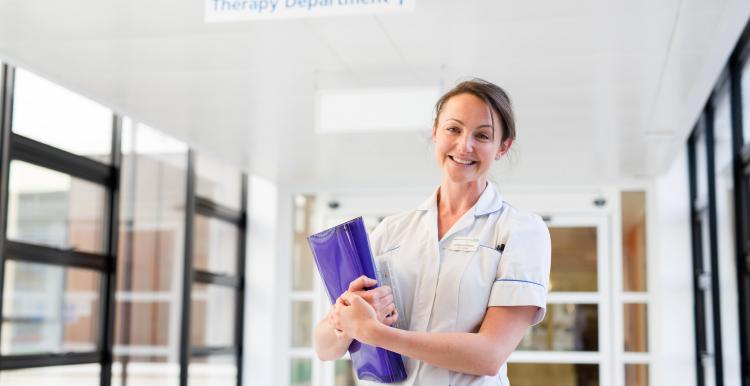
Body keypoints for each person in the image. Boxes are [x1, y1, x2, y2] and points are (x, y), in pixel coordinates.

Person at [313, 78, 551, 386]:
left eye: (482, 135)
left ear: (503, 147)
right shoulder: (391, 231)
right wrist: (345, 318)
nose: (465, 146)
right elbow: (324, 348)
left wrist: (375, 333)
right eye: (454, 129)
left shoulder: (520, 231)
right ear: (435, 131)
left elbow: (489, 355)